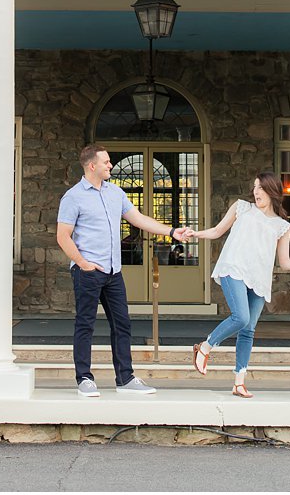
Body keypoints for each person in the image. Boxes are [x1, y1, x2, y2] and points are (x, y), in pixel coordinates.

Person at [55, 144, 196, 398]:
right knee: (85, 324)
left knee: (122, 323)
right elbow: (63, 236)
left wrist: (172, 231)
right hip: (88, 271)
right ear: (92, 166)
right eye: (106, 162)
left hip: (113, 271)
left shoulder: (115, 193)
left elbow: (139, 219)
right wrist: (83, 263)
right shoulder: (73, 197)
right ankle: (84, 378)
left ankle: (125, 378)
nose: (110, 165)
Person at [187, 172, 290, 398]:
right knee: (241, 317)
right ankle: (204, 347)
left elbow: (284, 263)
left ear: (272, 191)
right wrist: (195, 233)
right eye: (255, 187)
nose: (256, 192)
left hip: (259, 279)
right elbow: (217, 231)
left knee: (248, 330)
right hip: (233, 269)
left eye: (261, 188)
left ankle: (239, 382)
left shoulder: (281, 226)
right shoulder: (242, 208)